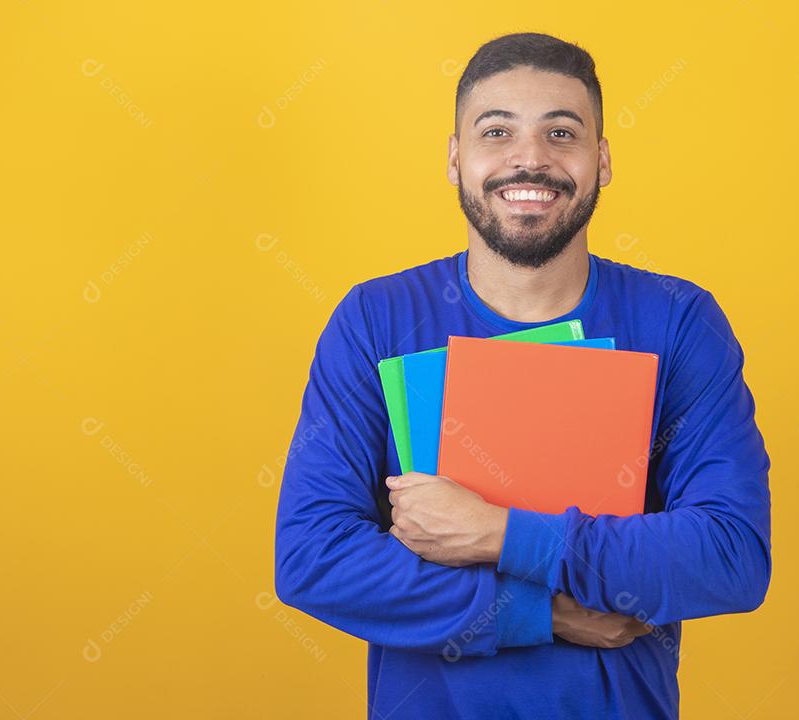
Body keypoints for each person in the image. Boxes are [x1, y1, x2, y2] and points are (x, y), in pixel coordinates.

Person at [273, 31, 771, 720]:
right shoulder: (376, 319)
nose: (530, 158)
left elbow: (728, 555)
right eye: (497, 131)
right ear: (456, 159)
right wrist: (546, 613)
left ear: (601, 160)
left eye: (561, 133)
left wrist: (499, 533)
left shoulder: (679, 320)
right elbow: (315, 559)